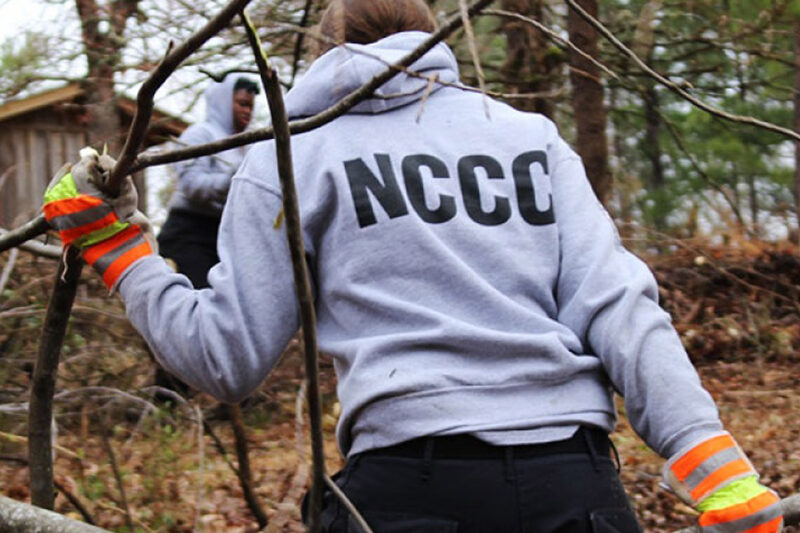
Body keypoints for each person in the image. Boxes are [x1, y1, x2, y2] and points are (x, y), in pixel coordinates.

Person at [42, 1, 783, 531]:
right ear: (433, 40)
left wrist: (117, 247)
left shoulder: (292, 156)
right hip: (574, 481)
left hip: (411, 489)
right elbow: (620, 304)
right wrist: (709, 458)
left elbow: (223, 358)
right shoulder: (527, 137)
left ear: (324, 52)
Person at [154, 75, 258, 396]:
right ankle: (169, 394)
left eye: (251, 107)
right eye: (241, 104)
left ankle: (226, 394)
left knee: (230, 309)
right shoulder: (199, 135)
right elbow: (193, 186)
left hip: (223, 237)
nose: (247, 112)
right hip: (187, 232)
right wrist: (236, 178)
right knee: (193, 309)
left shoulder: (249, 145)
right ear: (223, 101)